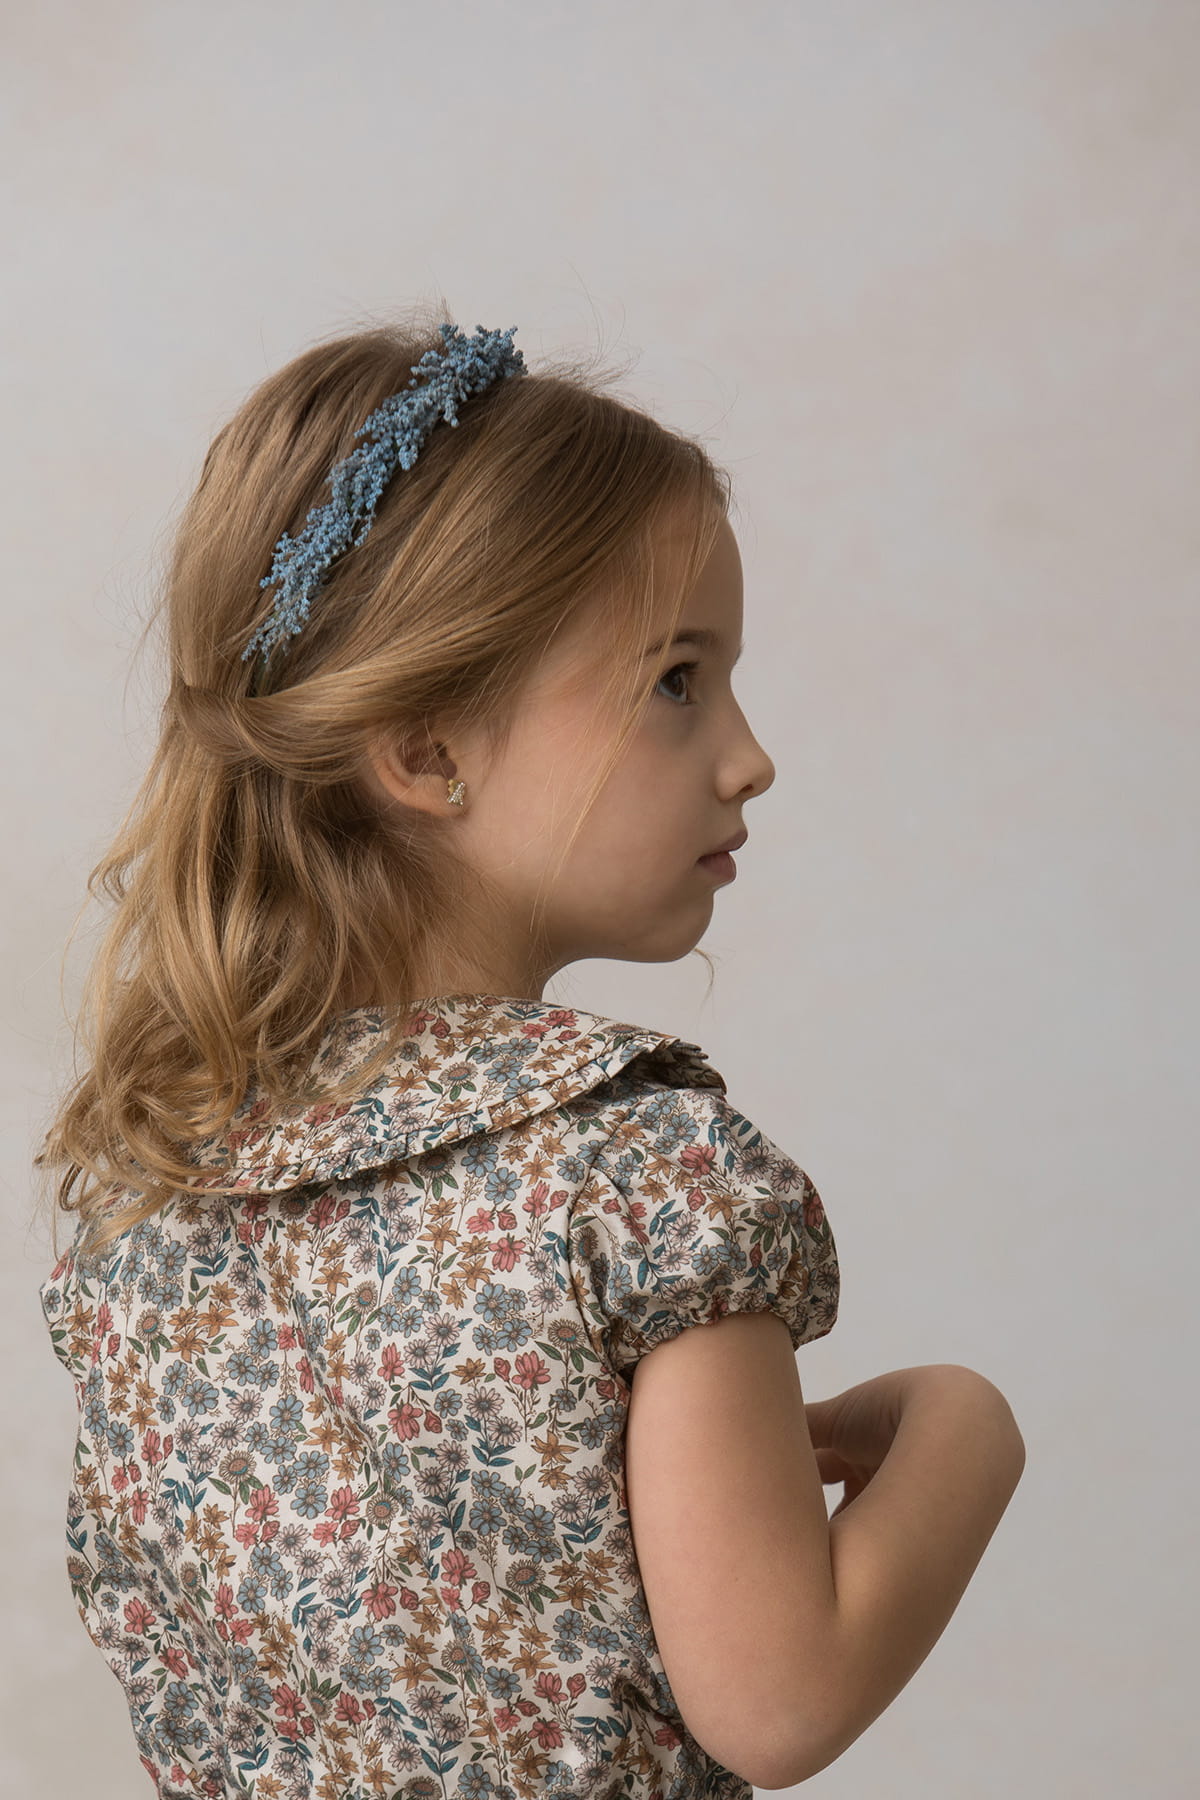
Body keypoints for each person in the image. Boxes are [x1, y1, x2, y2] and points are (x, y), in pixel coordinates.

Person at [34, 309, 1026, 1800]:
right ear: (430, 751)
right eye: (679, 679)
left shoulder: (158, 1202)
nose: (750, 754)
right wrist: (964, 1421)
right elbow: (780, 1696)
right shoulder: (637, 1179)